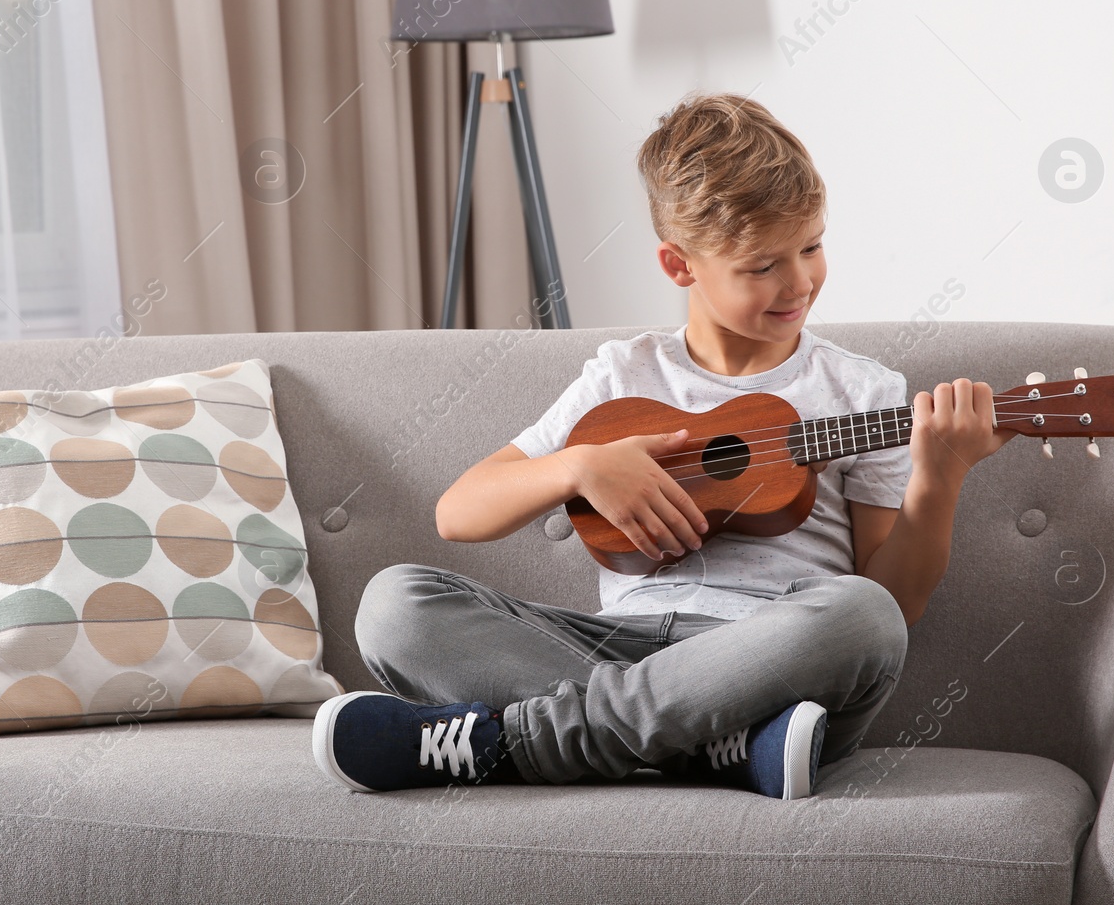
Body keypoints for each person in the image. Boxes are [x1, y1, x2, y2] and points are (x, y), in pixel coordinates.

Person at [310, 92, 1010, 799]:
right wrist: (579, 465)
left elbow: (897, 596)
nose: (799, 281)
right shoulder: (623, 375)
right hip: (617, 647)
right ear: (680, 265)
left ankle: (511, 743)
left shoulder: (863, 392)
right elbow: (459, 512)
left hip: (768, 659)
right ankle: (716, 749)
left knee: (865, 615)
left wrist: (941, 475)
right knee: (394, 603)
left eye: (812, 246)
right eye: (761, 265)